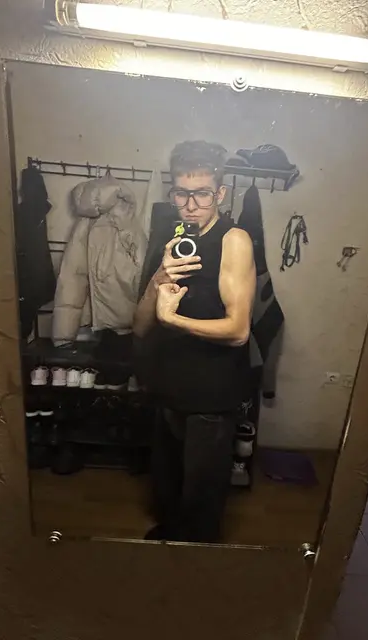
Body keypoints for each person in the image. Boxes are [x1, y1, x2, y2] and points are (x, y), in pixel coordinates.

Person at [134, 141, 256, 543]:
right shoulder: (170, 238)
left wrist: (174, 319)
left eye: (201, 193)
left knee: (201, 503)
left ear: (220, 193)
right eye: (181, 193)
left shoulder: (233, 240)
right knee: (168, 492)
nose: (189, 205)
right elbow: (140, 326)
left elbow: (238, 331)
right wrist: (159, 279)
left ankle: (197, 564)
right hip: (168, 389)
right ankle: (170, 551)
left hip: (210, 399)